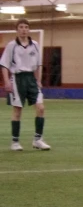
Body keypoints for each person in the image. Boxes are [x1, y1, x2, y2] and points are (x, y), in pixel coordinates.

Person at [0, 18, 50, 151]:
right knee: (17, 110)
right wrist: (6, 81)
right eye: (21, 27)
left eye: (26, 27)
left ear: (29, 29)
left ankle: (38, 140)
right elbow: (4, 65)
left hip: (31, 79)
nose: (24, 30)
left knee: (41, 108)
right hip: (17, 79)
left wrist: (38, 80)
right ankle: (15, 142)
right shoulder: (12, 46)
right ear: (17, 30)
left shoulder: (35, 45)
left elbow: (39, 64)